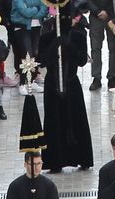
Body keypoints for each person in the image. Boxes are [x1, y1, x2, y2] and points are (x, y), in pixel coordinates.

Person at [38, 4, 91, 174]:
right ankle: (55, 160)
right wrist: (55, 45)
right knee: (54, 120)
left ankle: (81, 157)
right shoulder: (46, 36)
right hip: (52, 82)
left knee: (76, 118)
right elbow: (42, 60)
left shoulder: (79, 36)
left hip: (71, 81)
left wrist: (69, 46)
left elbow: (83, 60)